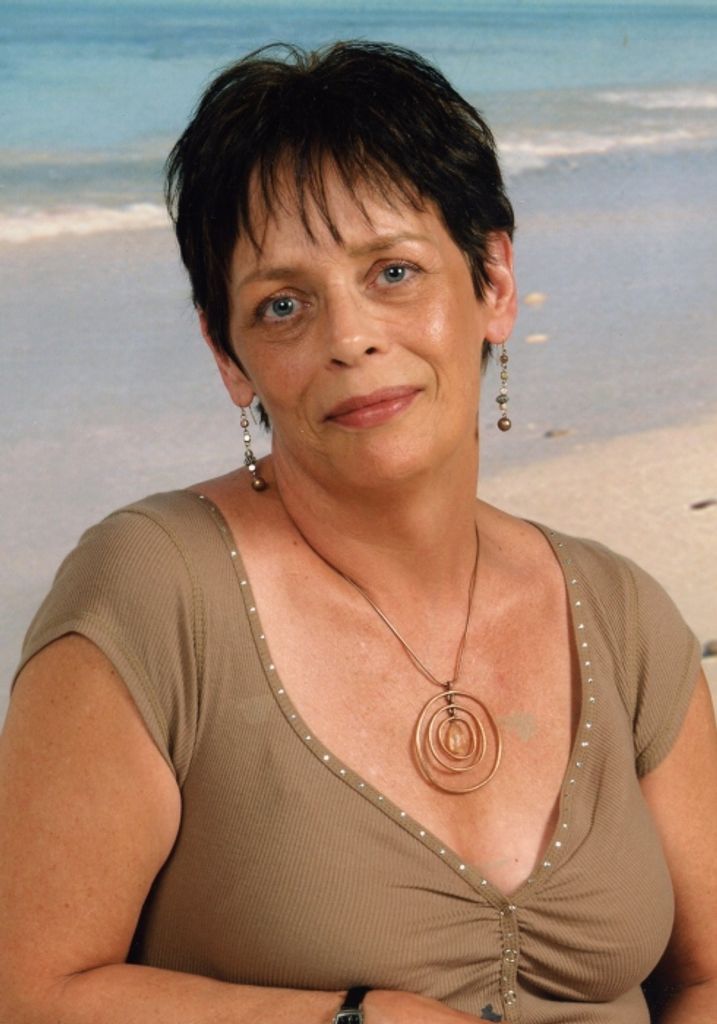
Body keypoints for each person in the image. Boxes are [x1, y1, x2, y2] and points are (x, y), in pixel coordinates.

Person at [0, 41, 715, 1024]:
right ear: (229, 356)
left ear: (494, 281)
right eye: (283, 304)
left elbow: (707, 977)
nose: (348, 337)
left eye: (393, 271)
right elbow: (31, 993)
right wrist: (355, 1020)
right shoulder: (154, 592)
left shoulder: (621, 614)